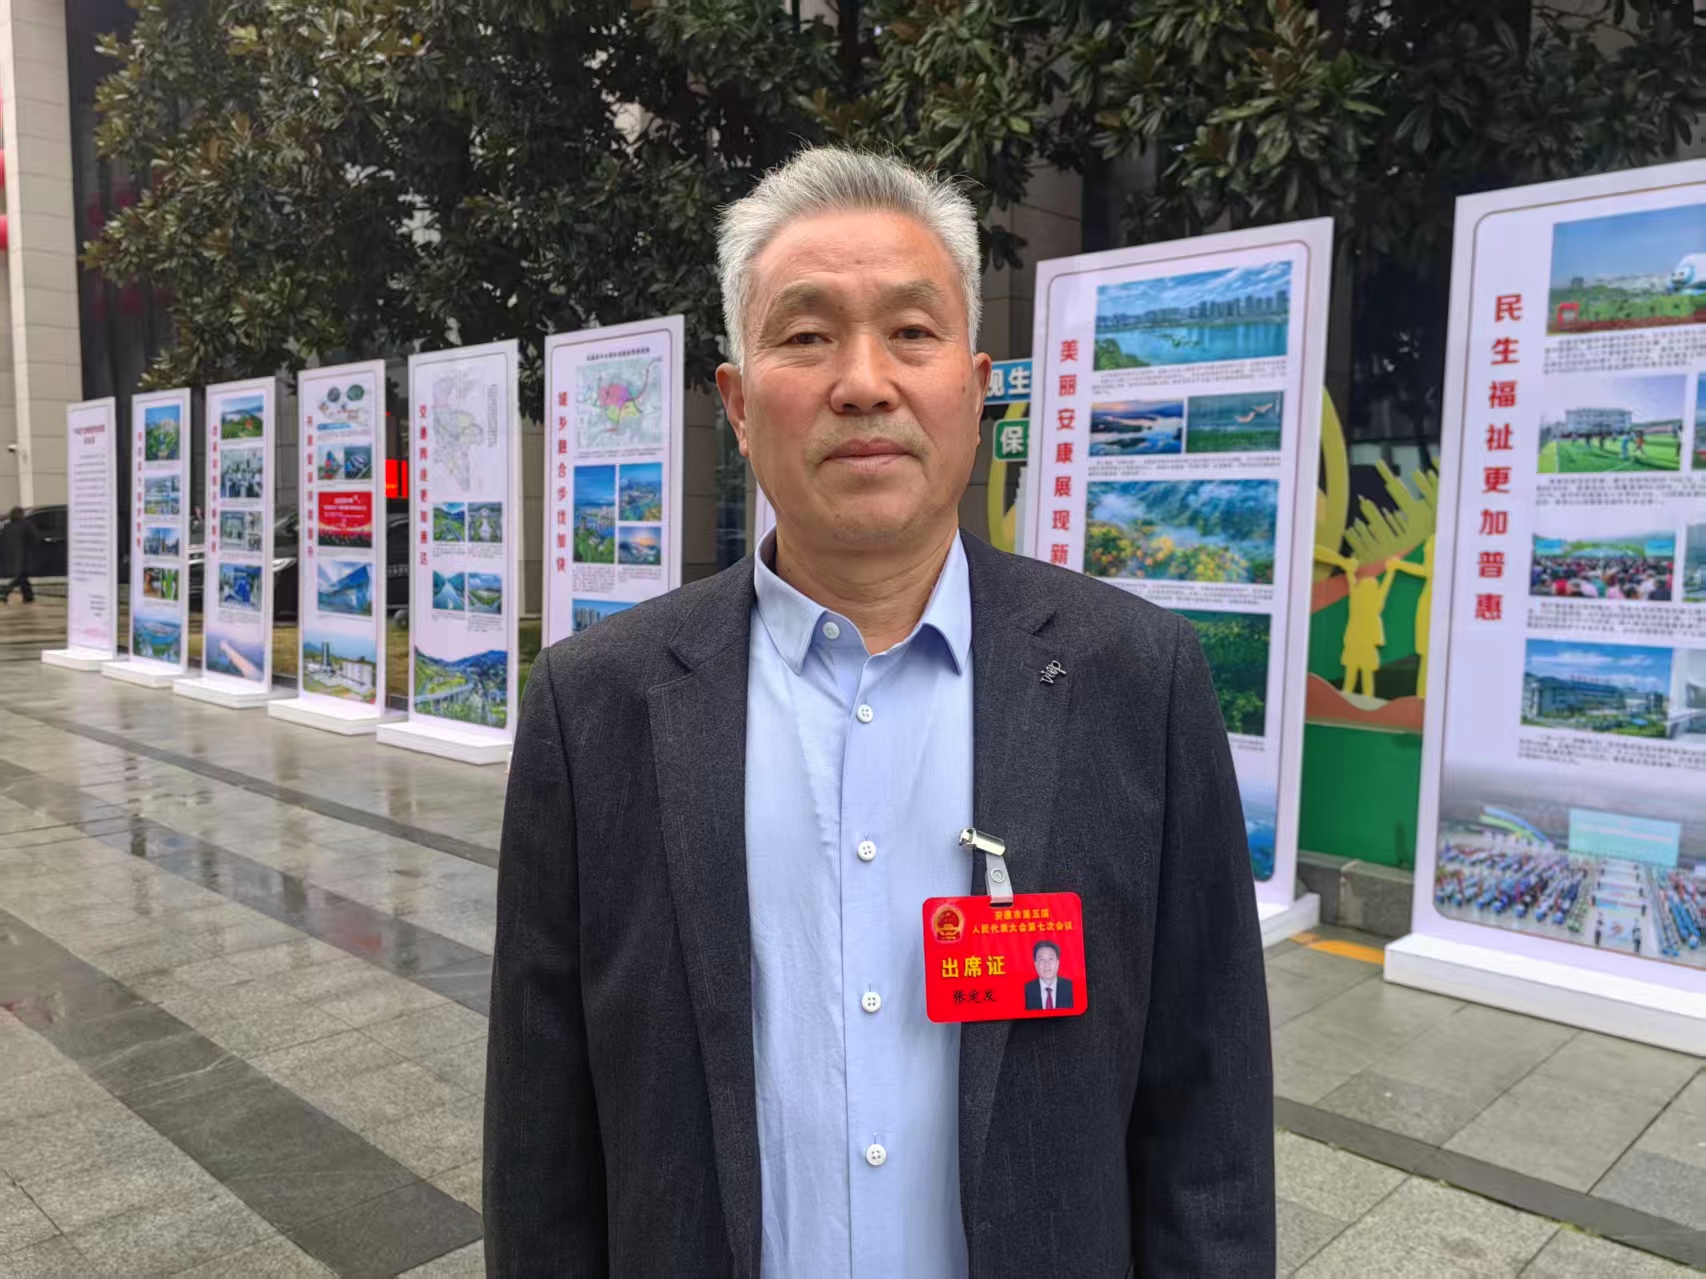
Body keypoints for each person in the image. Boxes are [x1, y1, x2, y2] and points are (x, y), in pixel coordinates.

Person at [485, 147, 1274, 1277]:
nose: (863, 382)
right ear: (737, 403)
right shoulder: (595, 704)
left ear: (974, 385)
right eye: (807, 336)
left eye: (910, 331)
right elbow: (541, 1138)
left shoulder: (1137, 678)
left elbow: (1208, 1114)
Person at [1023, 939, 1075, 1011]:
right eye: (1041, 960)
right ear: (1035, 964)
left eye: (1051, 959)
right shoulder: (1026, 990)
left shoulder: (1071, 987)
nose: (1047, 964)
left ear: (1057, 963)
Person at [0, 507, 37, 605]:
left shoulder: (7, 526)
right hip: (23, 554)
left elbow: (3, 540)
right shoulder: (26, 525)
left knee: (22, 576)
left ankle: (28, 596)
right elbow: (34, 538)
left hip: (10, 555)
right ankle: (4, 591)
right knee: (20, 576)